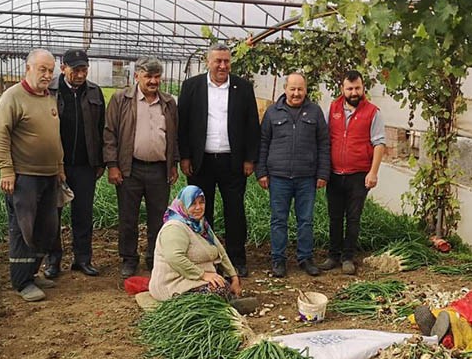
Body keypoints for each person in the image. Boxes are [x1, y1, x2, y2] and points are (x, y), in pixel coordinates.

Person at [177, 42, 260, 277]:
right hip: (201, 162)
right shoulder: (192, 87)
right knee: (202, 211)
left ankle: (236, 259)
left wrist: (249, 159)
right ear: (208, 62)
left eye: (226, 61)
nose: (223, 66)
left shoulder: (243, 88)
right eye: (218, 61)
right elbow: (183, 125)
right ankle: (207, 259)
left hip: (232, 162)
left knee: (235, 211)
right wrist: (185, 157)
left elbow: (252, 125)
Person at [0, 48, 64, 302]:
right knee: (23, 228)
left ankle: (32, 272)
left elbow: (54, 136)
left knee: (46, 227)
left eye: (50, 71)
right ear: (28, 68)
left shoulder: (48, 98)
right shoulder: (13, 97)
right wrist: (6, 170)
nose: (47, 75)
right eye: (42, 69)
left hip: (49, 175)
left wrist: (60, 166)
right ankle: (22, 282)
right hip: (24, 177)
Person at [104, 57, 180, 278]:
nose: (153, 81)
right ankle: (129, 258)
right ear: (136, 76)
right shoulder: (121, 99)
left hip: (159, 169)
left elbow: (174, 135)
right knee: (128, 217)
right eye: (148, 76)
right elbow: (109, 133)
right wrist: (112, 165)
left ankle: (154, 257)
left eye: (157, 76)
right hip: (130, 169)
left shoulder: (168, 103)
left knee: (159, 217)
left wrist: (173, 164)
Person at [256, 73, 330, 278]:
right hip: (278, 177)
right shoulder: (272, 112)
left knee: (305, 220)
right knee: (278, 220)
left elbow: (324, 144)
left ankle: (305, 258)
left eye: (300, 89)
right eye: (292, 89)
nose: (296, 93)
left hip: (306, 177)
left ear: (306, 90)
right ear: (285, 89)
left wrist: (323, 173)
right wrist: (261, 172)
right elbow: (263, 143)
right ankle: (278, 259)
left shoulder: (315, 112)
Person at [44, 48, 105, 279]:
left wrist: (100, 161)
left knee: (83, 214)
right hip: (54, 165)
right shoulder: (49, 91)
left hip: (85, 165)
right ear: (63, 68)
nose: (80, 75)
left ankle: (83, 259)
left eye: (84, 70)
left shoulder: (94, 92)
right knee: (52, 214)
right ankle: (53, 261)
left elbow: (101, 128)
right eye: (75, 70)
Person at [149, 186, 256, 313]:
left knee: (222, 284)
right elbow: (175, 258)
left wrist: (234, 277)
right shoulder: (174, 227)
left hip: (194, 278)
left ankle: (226, 305)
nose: (198, 207)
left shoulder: (200, 224)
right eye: (193, 204)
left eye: (201, 202)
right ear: (183, 205)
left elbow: (220, 251)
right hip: (173, 282)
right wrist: (203, 275)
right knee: (218, 289)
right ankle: (228, 307)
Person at [322, 70, 387, 275]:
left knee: (353, 217)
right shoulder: (332, 108)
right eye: (349, 88)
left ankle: (348, 257)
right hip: (334, 174)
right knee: (334, 217)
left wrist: (373, 172)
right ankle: (333, 255)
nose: (354, 92)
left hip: (359, 175)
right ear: (342, 89)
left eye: (357, 88)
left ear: (363, 88)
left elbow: (379, 144)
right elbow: (324, 138)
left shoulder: (373, 112)